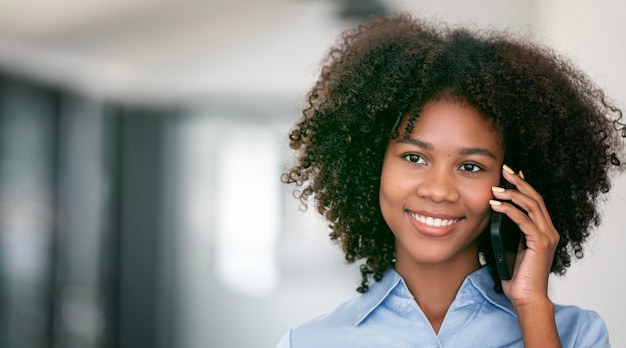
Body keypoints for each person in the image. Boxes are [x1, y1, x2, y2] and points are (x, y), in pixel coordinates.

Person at [277, 13, 625, 347]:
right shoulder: (307, 343)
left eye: (470, 166)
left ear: (515, 186)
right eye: (414, 158)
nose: (439, 190)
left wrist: (532, 306)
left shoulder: (577, 336)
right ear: (370, 166)